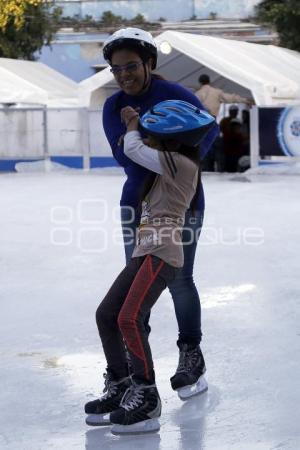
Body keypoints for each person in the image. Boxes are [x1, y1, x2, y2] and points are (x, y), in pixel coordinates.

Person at [99, 28, 219, 404]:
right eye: (116, 70)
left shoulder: (176, 95)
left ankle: (190, 354)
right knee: (133, 294)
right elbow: (123, 156)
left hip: (182, 207)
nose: (124, 75)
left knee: (181, 280)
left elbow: (209, 130)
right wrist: (155, 143)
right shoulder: (112, 106)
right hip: (136, 205)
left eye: (131, 66)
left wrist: (181, 161)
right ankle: (134, 373)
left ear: (149, 62)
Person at [85, 100, 216, 435]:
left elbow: (133, 148)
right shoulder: (168, 164)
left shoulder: (180, 164)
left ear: (171, 137)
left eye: (155, 135)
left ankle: (146, 396)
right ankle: (121, 384)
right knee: (107, 314)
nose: (148, 138)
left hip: (163, 252)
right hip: (146, 251)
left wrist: (131, 123)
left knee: (129, 318)